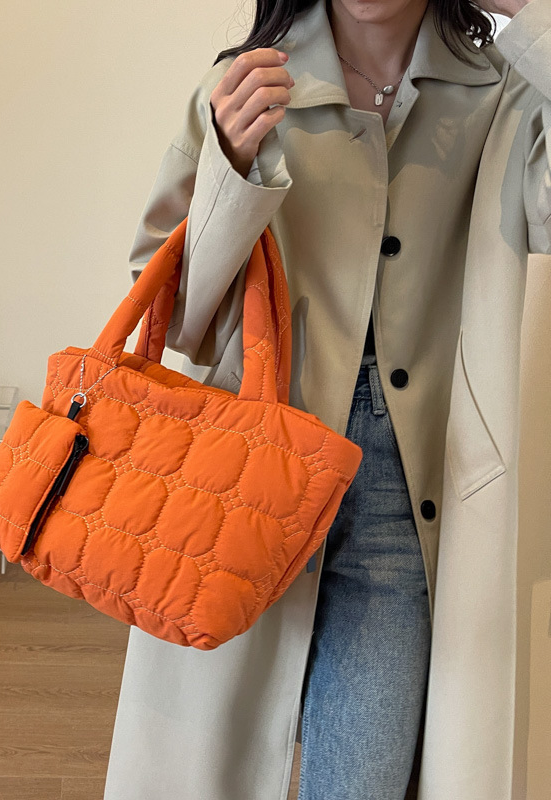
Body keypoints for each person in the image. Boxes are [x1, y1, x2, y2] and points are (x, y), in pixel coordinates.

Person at [103, 0, 550, 798]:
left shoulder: (504, 94)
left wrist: (529, 16)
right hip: (241, 480)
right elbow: (176, 317)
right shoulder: (243, 88)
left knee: (361, 781)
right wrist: (231, 166)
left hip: (404, 500)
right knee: (206, 762)